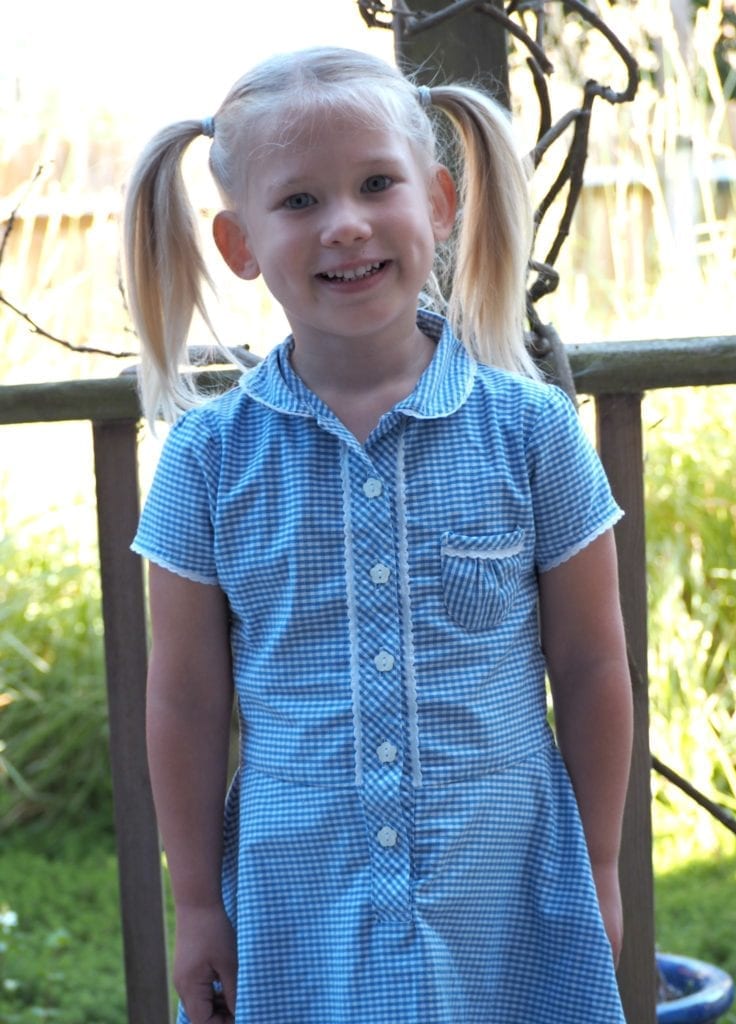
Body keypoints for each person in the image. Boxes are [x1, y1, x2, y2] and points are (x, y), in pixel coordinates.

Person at [124, 46, 633, 1024]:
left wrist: (602, 865)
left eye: (374, 183)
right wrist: (196, 901)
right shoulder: (206, 460)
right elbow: (184, 701)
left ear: (438, 203)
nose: (346, 224)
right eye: (301, 201)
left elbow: (593, 664)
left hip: (506, 892)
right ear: (240, 245)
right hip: (294, 902)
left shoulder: (534, 436)